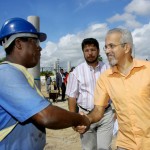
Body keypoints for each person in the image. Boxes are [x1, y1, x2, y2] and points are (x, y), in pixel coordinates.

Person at [0, 17, 90, 150]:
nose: (39, 48)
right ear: (18, 43)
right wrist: (81, 119)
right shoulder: (5, 73)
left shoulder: (17, 73)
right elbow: (47, 115)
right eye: (35, 42)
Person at [80, 28, 150, 150]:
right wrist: (87, 119)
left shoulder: (147, 70)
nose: (107, 51)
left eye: (111, 46)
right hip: (125, 143)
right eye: (106, 47)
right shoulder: (105, 78)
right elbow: (98, 110)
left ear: (126, 47)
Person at [66, 38, 114, 150]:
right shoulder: (76, 72)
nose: (90, 53)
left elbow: (115, 92)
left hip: (105, 114)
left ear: (98, 51)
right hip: (85, 115)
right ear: (83, 52)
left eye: (93, 49)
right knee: (89, 148)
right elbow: (72, 97)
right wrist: (74, 119)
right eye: (86, 50)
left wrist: (116, 112)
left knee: (104, 148)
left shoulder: (108, 69)